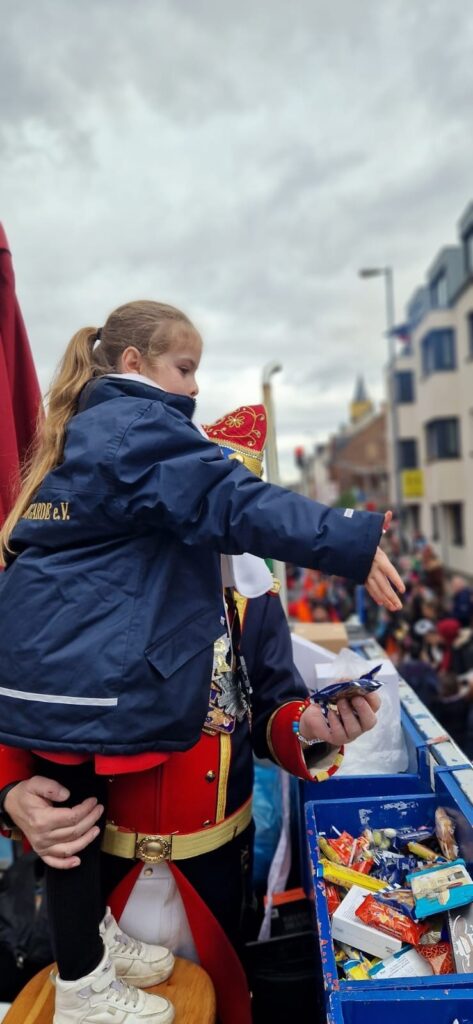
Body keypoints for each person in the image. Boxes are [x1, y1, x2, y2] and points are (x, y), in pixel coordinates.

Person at [0, 300, 402, 1024]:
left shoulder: (250, 598)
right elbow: (34, 684)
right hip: (100, 868)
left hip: (215, 871)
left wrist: (317, 725)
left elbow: (273, 710)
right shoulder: (104, 555)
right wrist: (6, 796)